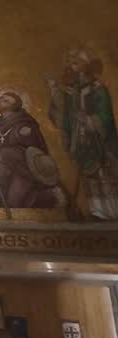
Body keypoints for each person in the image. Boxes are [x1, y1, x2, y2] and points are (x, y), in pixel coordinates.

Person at [48, 49, 118, 220]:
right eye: (71, 63)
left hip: (99, 141)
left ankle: (113, 211)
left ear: (86, 65)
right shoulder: (73, 92)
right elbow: (65, 117)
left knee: (104, 176)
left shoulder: (98, 89)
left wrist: (87, 119)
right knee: (89, 179)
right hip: (81, 142)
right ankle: (97, 212)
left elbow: (106, 115)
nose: (73, 66)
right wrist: (54, 91)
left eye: (76, 62)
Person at [0, 91, 65, 209]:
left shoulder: (24, 125)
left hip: (25, 172)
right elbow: (2, 141)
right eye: (1, 98)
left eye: (6, 101)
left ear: (14, 107)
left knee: (14, 205)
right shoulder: (4, 123)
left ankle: (51, 195)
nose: (0, 102)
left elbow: (25, 152)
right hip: (8, 167)